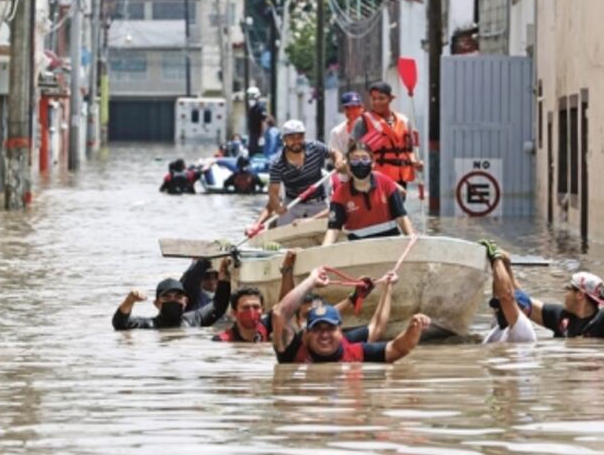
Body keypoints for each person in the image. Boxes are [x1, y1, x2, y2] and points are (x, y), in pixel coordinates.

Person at [271, 267, 430, 363]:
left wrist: (413, 330)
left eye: (330, 328)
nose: (324, 334)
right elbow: (280, 313)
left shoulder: (356, 350)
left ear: (340, 331)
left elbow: (396, 347)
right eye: (317, 329)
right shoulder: (291, 351)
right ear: (306, 334)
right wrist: (312, 280)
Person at [247, 120, 344, 234]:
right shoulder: (277, 163)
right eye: (291, 137)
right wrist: (277, 207)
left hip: (318, 203)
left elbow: (334, 152)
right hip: (292, 205)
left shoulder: (315, 147)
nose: (296, 141)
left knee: (332, 229)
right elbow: (273, 193)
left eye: (300, 136)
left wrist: (338, 160)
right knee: (280, 234)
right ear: (284, 139)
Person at [324, 141, 414, 244]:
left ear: (372, 163)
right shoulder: (340, 194)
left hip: (390, 244)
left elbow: (402, 218)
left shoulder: (386, 183)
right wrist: (323, 252)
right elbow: (333, 230)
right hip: (359, 249)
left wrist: (412, 240)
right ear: (348, 165)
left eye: (365, 159)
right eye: (355, 159)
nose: (360, 163)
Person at [112, 258, 232, 330]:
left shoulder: (194, 321)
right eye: (167, 297)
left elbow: (219, 305)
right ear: (157, 304)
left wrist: (224, 276)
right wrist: (130, 300)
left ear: (185, 301)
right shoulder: (149, 325)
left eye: (178, 297)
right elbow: (120, 324)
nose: (173, 300)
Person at [350, 81, 422, 187]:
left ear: (390, 98)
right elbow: (353, 151)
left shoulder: (404, 121)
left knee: (398, 203)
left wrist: (416, 161)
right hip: (374, 179)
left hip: (400, 178)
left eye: (381, 98)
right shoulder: (363, 122)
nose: (377, 102)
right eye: (373, 99)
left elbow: (408, 150)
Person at [526, 271, 604, 338]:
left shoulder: (603, 321)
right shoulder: (561, 316)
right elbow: (525, 303)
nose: (565, 292)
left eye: (568, 288)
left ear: (580, 294)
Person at [478, 241, 536, 343]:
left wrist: (495, 257)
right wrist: (505, 263)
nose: (497, 310)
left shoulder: (522, 328)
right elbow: (501, 292)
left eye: (502, 307)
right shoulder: (501, 325)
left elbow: (506, 296)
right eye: (499, 307)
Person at [328, 92, 364, 162]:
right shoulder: (337, 132)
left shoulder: (371, 127)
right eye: (347, 108)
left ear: (362, 107)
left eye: (354, 107)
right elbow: (333, 152)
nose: (351, 111)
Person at [247, 87, 266, 156]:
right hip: (252, 134)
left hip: (257, 134)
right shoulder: (252, 108)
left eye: (252, 96)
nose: (250, 98)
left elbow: (263, 123)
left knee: (257, 152)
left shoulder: (260, 108)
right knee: (251, 151)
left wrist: (262, 136)